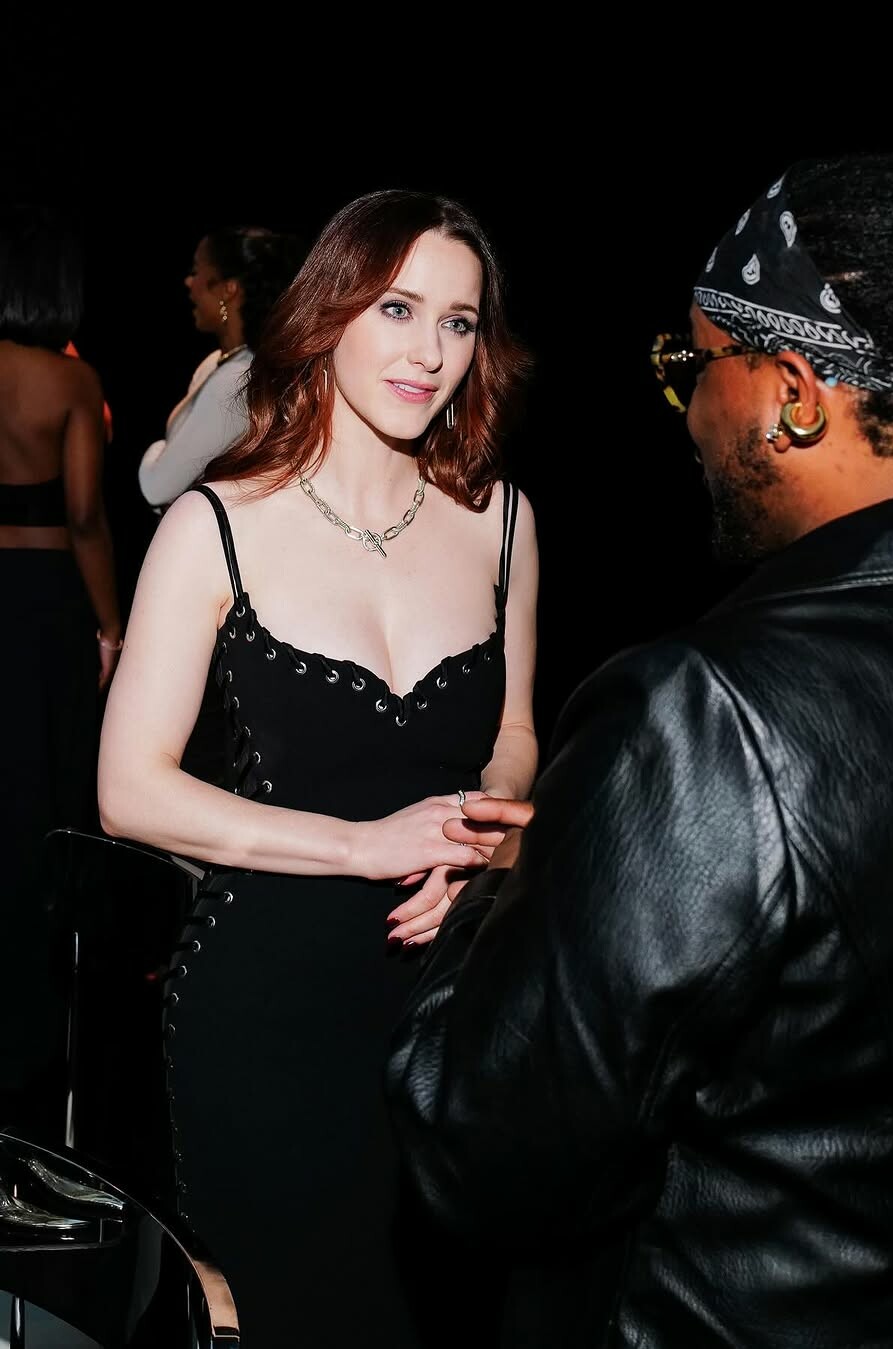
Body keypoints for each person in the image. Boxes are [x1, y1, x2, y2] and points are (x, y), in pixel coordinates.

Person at [384, 152, 893, 1348]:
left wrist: (507, 894)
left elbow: (483, 1155)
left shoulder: (706, 717)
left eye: (693, 367)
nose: (690, 416)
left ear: (794, 393)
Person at [97, 187, 538, 1347]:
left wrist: (484, 832)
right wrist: (365, 843)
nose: (429, 350)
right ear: (330, 309)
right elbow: (129, 789)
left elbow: (514, 734)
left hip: (449, 1000)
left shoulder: (501, 520)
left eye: (458, 320)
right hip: (265, 1004)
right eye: (397, 307)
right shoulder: (216, 524)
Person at [0, 201, 122, 1137]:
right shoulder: (70, 382)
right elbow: (84, 516)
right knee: (43, 803)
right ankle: (31, 1035)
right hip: (45, 606)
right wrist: (112, 625)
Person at [137, 224, 308, 510]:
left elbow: (156, 487)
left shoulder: (238, 379)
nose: (189, 282)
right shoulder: (220, 363)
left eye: (197, 272)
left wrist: (162, 448)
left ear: (229, 289)